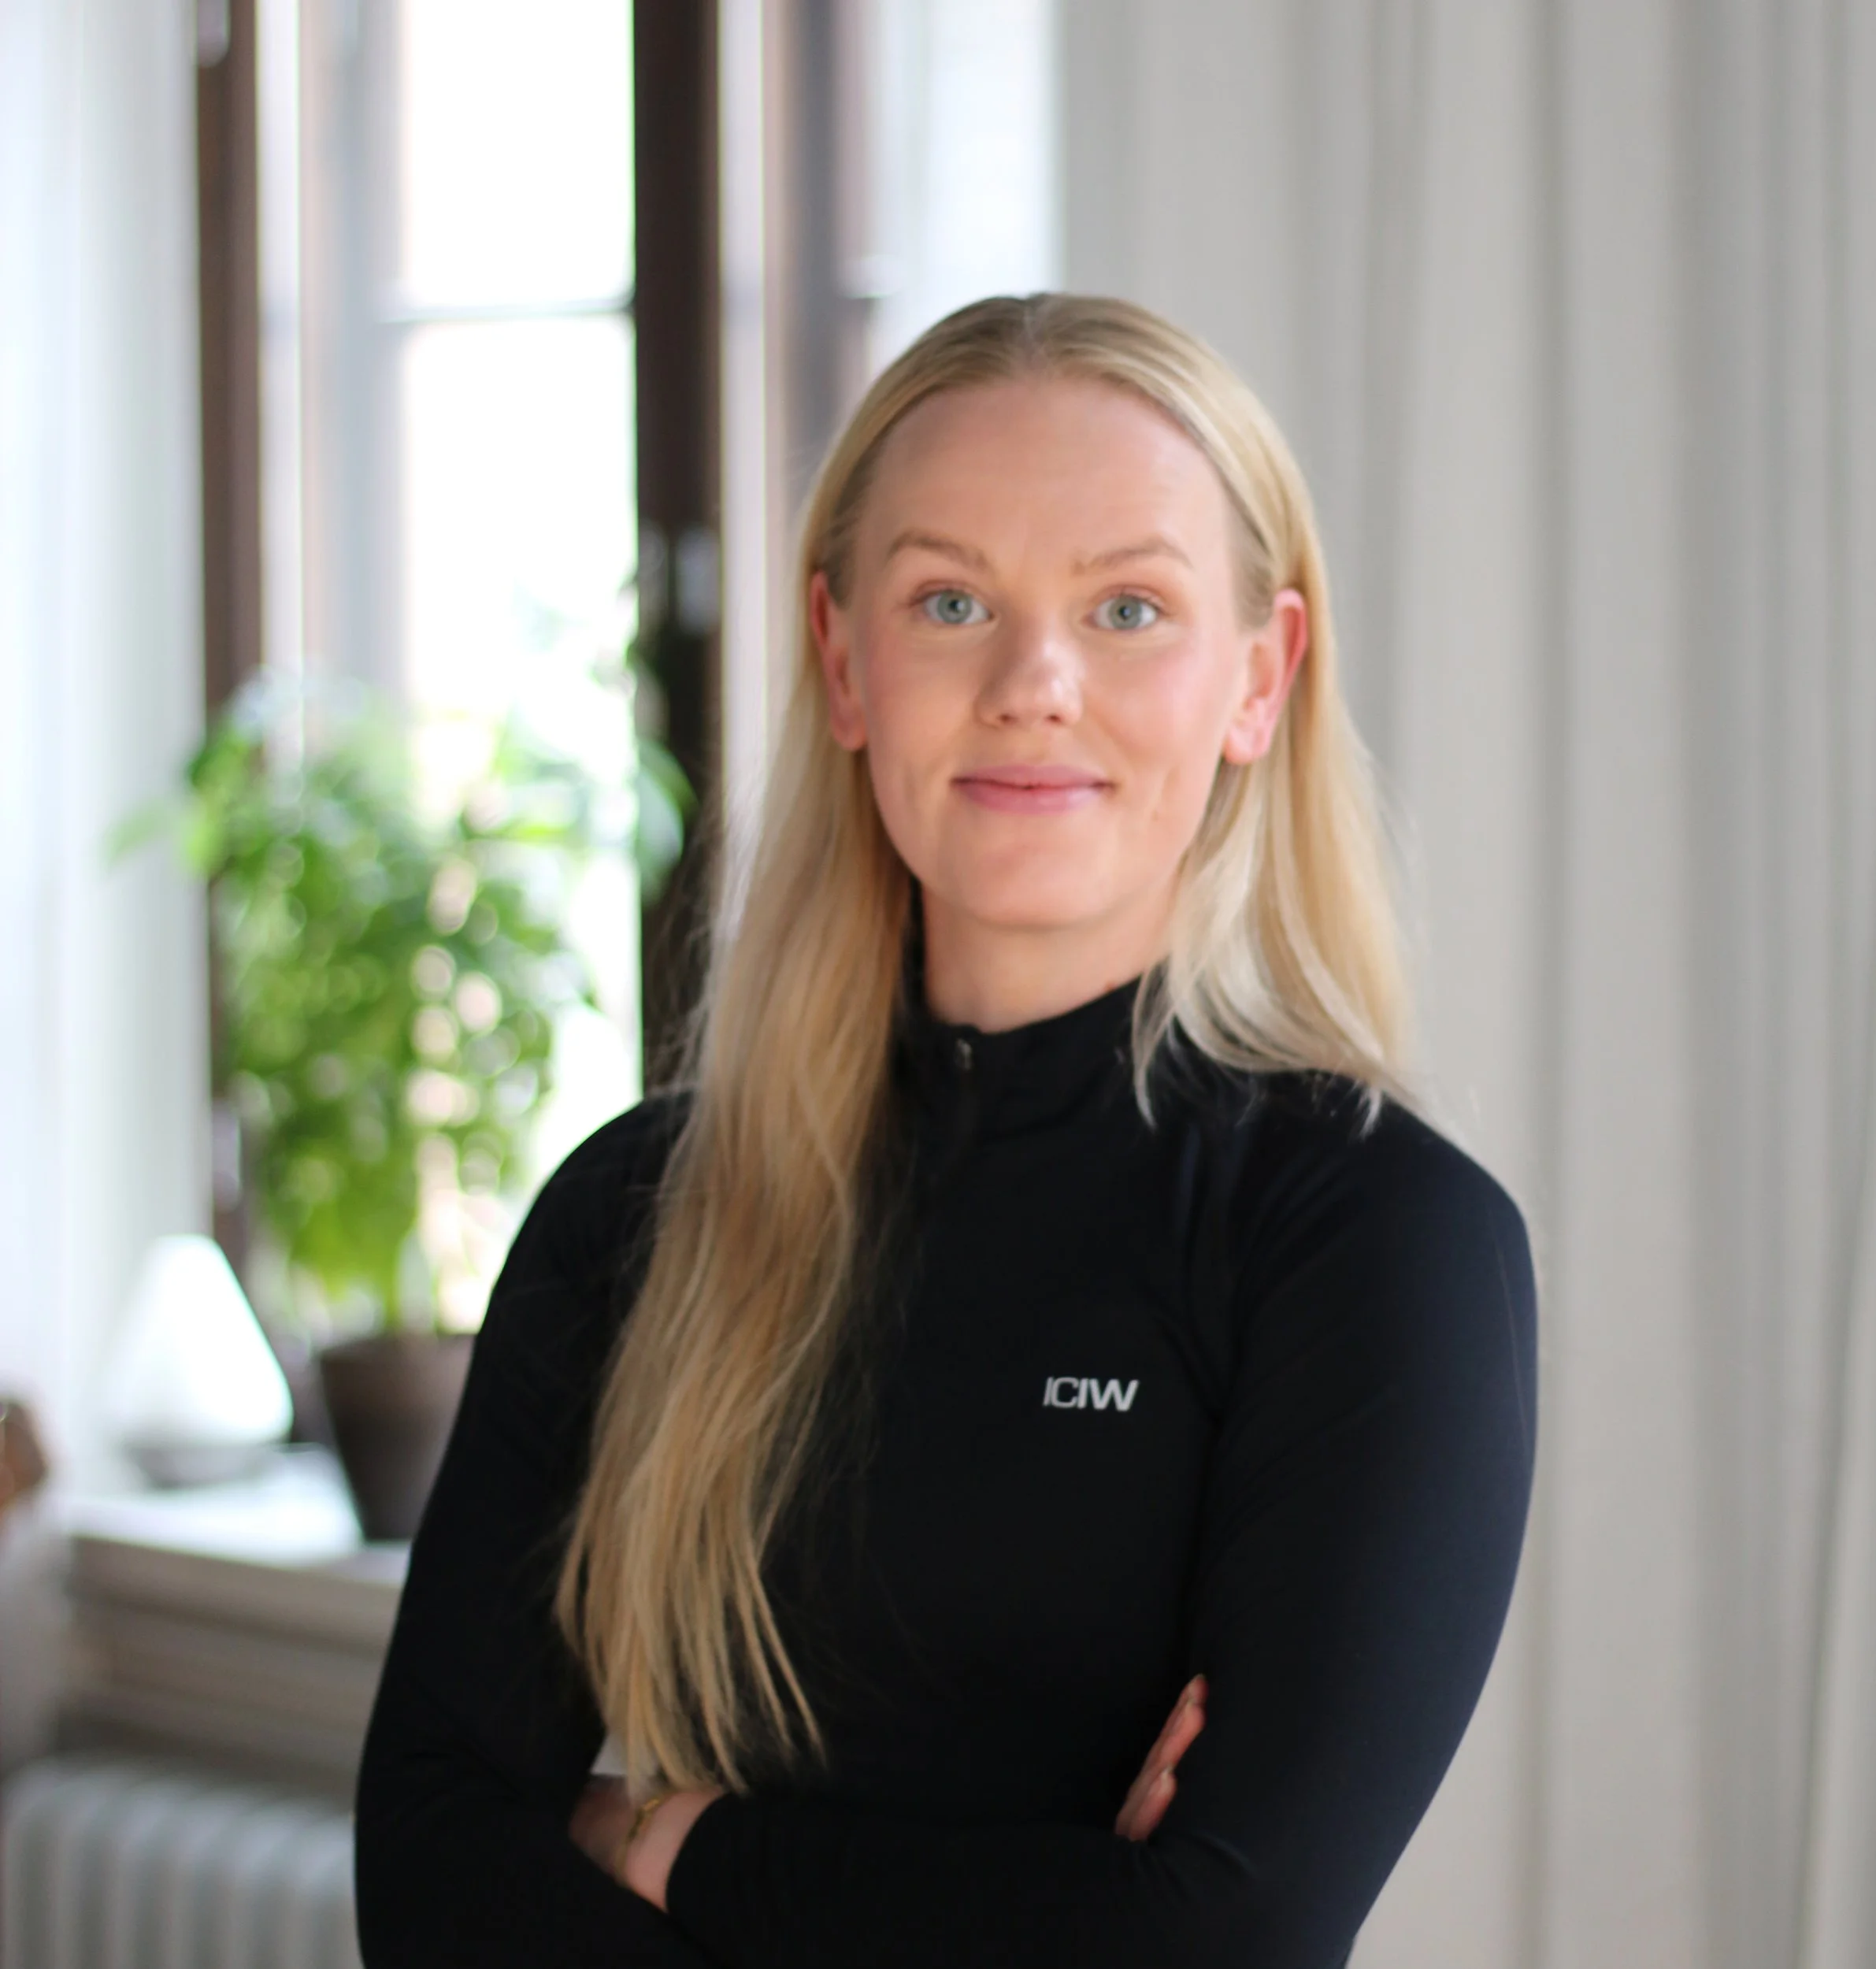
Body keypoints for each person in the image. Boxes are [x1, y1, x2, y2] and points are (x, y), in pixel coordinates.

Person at [354, 292, 1537, 1968]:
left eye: (1127, 607)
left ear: (1257, 677)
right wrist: (1046, 1906)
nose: (1032, 685)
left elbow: (1220, 1940)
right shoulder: (629, 1215)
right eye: (950, 600)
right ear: (845, 661)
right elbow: (426, 1878)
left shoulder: (1374, 1242)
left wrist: (672, 1844)